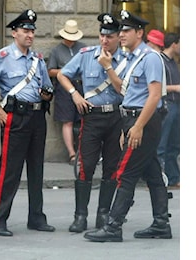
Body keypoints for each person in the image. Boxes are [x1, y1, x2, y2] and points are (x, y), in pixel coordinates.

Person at [84, 10, 172, 242]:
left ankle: (113, 226)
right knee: (152, 172)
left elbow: (154, 97)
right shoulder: (134, 58)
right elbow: (127, 91)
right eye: (120, 30)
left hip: (143, 119)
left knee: (125, 173)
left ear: (139, 33)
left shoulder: (150, 57)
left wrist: (137, 127)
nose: (121, 34)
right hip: (133, 118)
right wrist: (128, 126)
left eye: (126, 30)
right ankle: (161, 222)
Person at [0, 9, 55, 237]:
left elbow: (47, 87)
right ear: (14, 33)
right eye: (25, 31)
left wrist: (47, 94)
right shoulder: (3, 57)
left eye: (32, 31)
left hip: (38, 116)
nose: (30, 35)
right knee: (10, 171)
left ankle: (36, 217)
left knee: (37, 169)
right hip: (16, 117)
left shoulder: (37, 59)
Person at [56, 13, 125, 233]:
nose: (105, 40)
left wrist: (108, 67)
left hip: (116, 116)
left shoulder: (126, 59)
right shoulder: (86, 54)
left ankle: (103, 213)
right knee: (85, 166)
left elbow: (123, 89)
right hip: (92, 116)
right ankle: (80, 215)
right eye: (102, 35)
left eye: (110, 36)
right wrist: (74, 94)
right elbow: (62, 75)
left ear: (118, 38)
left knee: (111, 167)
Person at [47, 20, 86, 165]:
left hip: (81, 85)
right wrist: (66, 72)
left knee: (84, 120)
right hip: (64, 88)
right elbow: (50, 71)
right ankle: (71, 154)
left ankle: (83, 152)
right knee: (67, 120)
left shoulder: (83, 48)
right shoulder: (56, 51)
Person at [157, 33, 180, 189]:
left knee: (174, 143)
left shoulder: (173, 62)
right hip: (166, 104)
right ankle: (158, 178)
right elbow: (155, 87)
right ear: (174, 44)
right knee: (162, 144)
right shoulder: (160, 61)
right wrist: (175, 88)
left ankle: (173, 177)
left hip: (176, 104)